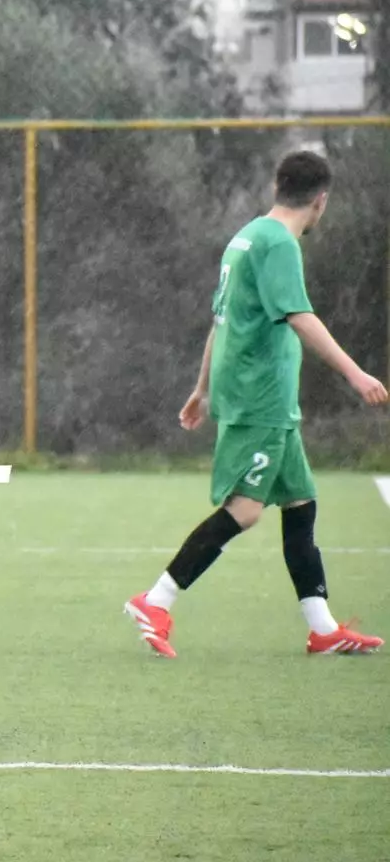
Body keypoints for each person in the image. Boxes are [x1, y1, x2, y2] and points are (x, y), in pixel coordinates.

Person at [124, 150, 387, 658]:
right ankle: (155, 600)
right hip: (258, 398)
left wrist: (202, 387)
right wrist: (356, 374)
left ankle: (322, 628)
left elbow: (222, 321)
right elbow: (300, 316)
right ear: (321, 200)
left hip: (265, 399)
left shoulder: (246, 236)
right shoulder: (279, 245)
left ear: (275, 187)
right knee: (244, 511)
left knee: (300, 504)